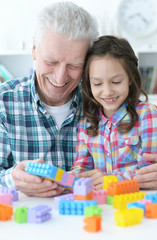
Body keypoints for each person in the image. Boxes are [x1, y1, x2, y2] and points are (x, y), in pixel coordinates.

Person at [0, 2, 98, 197]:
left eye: (75, 65)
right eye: (51, 61)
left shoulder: (103, 104)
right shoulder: (4, 103)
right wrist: (13, 178)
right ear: (35, 49)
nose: (60, 78)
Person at [71, 35, 157, 190]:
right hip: (102, 206)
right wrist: (70, 179)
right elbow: (81, 166)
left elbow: (151, 172)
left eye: (116, 82)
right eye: (97, 83)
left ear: (130, 78)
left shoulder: (148, 115)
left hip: (139, 203)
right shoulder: (85, 125)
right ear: (88, 83)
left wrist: (111, 180)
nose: (107, 91)